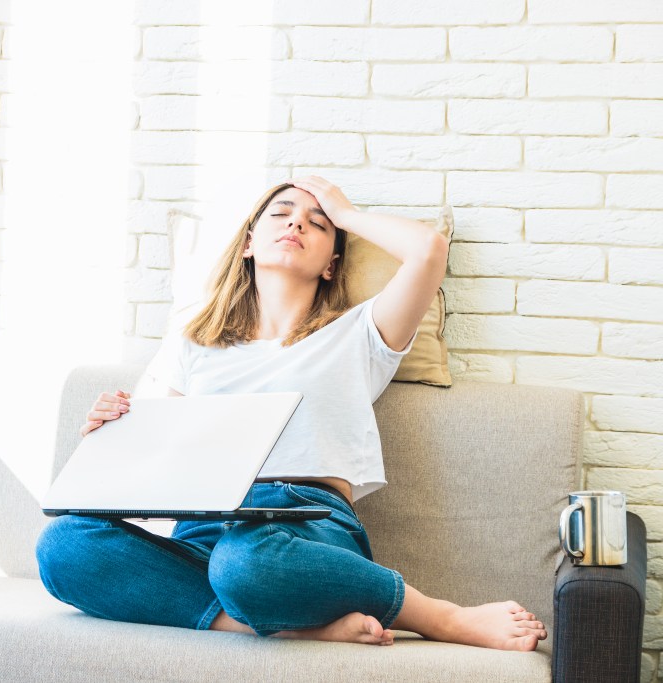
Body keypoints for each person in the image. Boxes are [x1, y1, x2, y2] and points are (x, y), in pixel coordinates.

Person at [35, 176, 548, 650]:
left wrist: (344, 211)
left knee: (245, 565)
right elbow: (155, 468)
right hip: (205, 528)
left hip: (301, 526)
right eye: (280, 214)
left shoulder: (359, 333)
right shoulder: (194, 341)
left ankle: (439, 615)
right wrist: (114, 433)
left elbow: (427, 250)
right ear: (248, 245)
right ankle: (281, 626)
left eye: (316, 221)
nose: (297, 222)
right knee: (63, 545)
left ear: (331, 263)